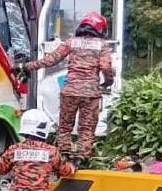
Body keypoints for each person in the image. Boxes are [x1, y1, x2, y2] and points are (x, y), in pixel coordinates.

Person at [18, 12, 114, 166]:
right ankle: (81, 159)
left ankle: (64, 156)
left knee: (65, 127)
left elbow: (51, 60)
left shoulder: (71, 42)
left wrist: (28, 66)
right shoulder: (101, 45)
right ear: (100, 29)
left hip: (69, 92)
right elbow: (106, 66)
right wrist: (108, 81)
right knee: (86, 128)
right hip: (91, 94)